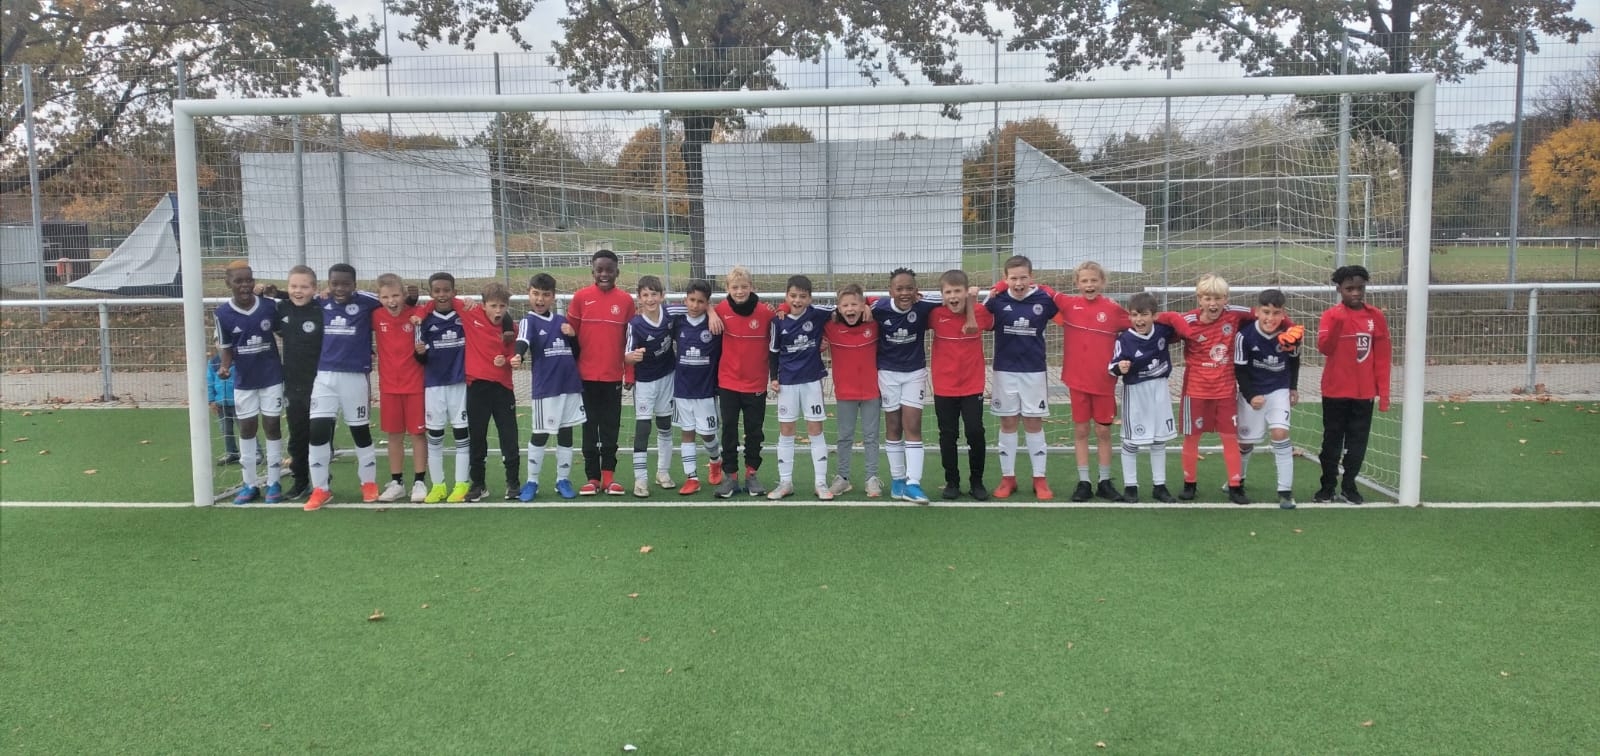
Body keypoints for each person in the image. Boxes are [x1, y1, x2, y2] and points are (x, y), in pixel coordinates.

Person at [1177, 274, 1291, 506]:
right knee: (1192, 438)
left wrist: (1292, 329)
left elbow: (1266, 314)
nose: (1213, 303)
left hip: (1225, 390)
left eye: (1218, 298)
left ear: (1226, 298)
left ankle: (1235, 486)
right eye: (1207, 298)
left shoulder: (1235, 314)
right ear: (1199, 299)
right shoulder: (1187, 321)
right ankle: (1189, 484)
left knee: (1230, 439)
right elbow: (1164, 328)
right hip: (1195, 390)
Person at [304, 263, 384, 511]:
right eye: (334, 283)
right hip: (324, 376)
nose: (339, 288)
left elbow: (390, 299)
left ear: (354, 285)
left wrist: (410, 298)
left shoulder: (366, 302)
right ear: (328, 284)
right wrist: (271, 291)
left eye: (345, 284)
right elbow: (297, 298)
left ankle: (368, 483)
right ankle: (320, 488)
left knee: (360, 430)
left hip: (355, 376)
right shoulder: (320, 301)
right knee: (317, 431)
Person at [1053, 261, 1132, 503]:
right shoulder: (1068, 305)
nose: (1089, 285)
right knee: (1081, 430)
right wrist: (1001, 287)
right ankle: (1084, 481)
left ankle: (1104, 481)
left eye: (1094, 280)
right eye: (1084, 281)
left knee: (1103, 431)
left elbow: (1140, 323)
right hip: (1076, 381)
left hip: (1104, 382)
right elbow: (1041, 292)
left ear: (1102, 282)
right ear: (1077, 283)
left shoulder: (1113, 309)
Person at [984, 255, 1060, 500]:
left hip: (1034, 371)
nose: (1018, 283)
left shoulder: (1044, 300)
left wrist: (1050, 290)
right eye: (1013, 278)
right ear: (1005, 279)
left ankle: (1040, 478)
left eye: (1023, 278)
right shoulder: (997, 300)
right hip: (1004, 371)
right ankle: (1008, 478)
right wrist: (992, 292)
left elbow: (1065, 315)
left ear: (1031, 278)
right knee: (1007, 423)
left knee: (1033, 423)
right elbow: (979, 317)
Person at [1315, 265, 1391, 505]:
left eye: (1360, 288)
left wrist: (1384, 393)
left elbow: (1383, 357)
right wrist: (1338, 324)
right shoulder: (1331, 315)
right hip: (1335, 391)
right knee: (1332, 441)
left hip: (1363, 393)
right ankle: (1327, 486)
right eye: (1350, 289)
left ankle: (1349, 486)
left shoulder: (1375, 316)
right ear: (1339, 289)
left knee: (1357, 442)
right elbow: (1325, 348)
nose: (1356, 293)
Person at [214, 261, 287, 504]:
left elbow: (282, 331)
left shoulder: (268, 306)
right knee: (247, 428)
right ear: (229, 283)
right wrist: (225, 367)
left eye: (249, 280)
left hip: (271, 376)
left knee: (272, 425)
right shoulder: (222, 314)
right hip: (244, 380)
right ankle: (249, 484)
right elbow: (226, 348)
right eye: (239, 281)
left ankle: (274, 482)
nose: (245, 285)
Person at [1109, 292, 1191, 503]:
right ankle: (1131, 487)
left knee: (1159, 440)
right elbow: (1112, 367)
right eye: (1135, 315)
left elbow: (1179, 323)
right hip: (1136, 394)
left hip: (1160, 391)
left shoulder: (1162, 331)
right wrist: (1120, 367)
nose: (1139, 320)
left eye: (1144, 314)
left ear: (1154, 316)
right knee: (1131, 442)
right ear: (1129, 316)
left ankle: (1159, 486)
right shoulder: (1124, 339)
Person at [565, 249, 635, 496]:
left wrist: (629, 373)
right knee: (588, 428)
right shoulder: (580, 298)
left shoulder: (626, 301)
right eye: (599, 270)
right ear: (592, 272)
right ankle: (592, 478)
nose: (604, 274)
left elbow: (630, 342)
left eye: (609, 270)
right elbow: (569, 339)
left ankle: (609, 477)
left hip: (612, 377)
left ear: (617, 272)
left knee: (610, 428)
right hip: (585, 377)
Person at [872, 268, 942, 504]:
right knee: (893, 425)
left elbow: (951, 295)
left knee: (912, 424)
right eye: (899, 288)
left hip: (915, 373)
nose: (904, 293)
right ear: (890, 291)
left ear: (916, 291)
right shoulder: (879, 308)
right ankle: (897, 480)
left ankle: (913, 483)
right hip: (887, 374)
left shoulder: (923, 306)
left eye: (909, 288)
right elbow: (853, 303)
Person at [511, 273, 583, 500]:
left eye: (545, 295)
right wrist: (518, 355)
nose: (540, 299)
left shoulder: (562, 321)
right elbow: (523, 341)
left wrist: (573, 336)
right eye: (535, 294)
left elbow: (576, 352)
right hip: (546, 388)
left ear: (553, 297)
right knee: (540, 434)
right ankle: (532, 481)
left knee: (566, 433)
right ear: (528, 294)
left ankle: (563, 480)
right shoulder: (529, 321)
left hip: (569, 385)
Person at [1234, 288, 1304, 509]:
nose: (1270, 318)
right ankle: (1237, 481)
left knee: (1280, 433)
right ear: (1257, 312)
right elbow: (1240, 371)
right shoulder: (1244, 336)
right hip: (1252, 393)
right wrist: (1250, 395)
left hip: (1278, 390)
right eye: (1266, 312)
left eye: (1276, 313)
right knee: (1244, 442)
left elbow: (1294, 362)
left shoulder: (1291, 336)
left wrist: (1293, 387)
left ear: (1283, 314)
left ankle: (1285, 491)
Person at [928, 270, 993, 501]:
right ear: (942, 295)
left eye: (958, 291)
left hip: (972, 385)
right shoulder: (935, 314)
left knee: (975, 431)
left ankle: (977, 481)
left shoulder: (980, 312)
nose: (953, 296)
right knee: (948, 434)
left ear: (967, 292)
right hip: (944, 386)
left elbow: (997, 313)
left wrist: (976, 301)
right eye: (948, 292)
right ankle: (952, 481)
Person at [766, 274, 833, 500]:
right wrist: (773, 377)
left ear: (810, 298)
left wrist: (868, 304)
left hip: (811, 381)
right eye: (793, 296)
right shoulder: (777, 321)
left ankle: (820, 483)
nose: (797, 300)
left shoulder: (817, 314)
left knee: (815, 430)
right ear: (786, 296)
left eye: (802, 296)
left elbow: (841, 307)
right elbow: (773, 352)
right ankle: (785, 482)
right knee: (786, 431)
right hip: (787, 383)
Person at [714, 265, 776, 498]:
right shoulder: (720, 309)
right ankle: (730, 476)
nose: (739, 291)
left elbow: (783, 321)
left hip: (756, 383)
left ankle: (752, 474)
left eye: (744, 287)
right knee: (728, 429)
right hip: (728, 382)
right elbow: (701, 309)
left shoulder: (765, 313)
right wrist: (710, 311)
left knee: (754, 431)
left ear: (752, 287)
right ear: (727, 288)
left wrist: (782, 309)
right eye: (735, 287)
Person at [414, 272, 475, 503]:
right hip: (434, 385)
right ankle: (438, 485)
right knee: (435, 436)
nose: (442, 294)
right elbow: (419, 356)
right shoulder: (424, 320)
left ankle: (461, 484)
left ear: (454, 292)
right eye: (437, 291)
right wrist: (420, 353)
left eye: (446, 290)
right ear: (431, 293)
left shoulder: (464, 315)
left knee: (461, 435)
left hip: (460, 384)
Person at [461, 283, 522, 501]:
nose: (498, 310)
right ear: (483, 304)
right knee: (477, 436)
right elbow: (443, 300)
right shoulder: (470, 313)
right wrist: (466, 300)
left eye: (502, 306)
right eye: (493, 306)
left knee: (509, 436)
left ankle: (513, 483)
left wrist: (507, 360)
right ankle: (478, 484)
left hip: (503, 389)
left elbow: (515, 356)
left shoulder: (511, 329)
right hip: (477, 387)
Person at [372, 273, 430, 503]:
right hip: (388, 387)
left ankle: (419, 481)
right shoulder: (376, 316)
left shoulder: (415, 315)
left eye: (395, 295)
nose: (391, 301)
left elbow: (428, 308)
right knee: (394, 435)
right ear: (379, 298)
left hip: (415, 385)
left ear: (404, 295)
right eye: (385, 297)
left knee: (417, 434)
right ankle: (397, 482)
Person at [823, 284, 882, 498]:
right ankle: (842, 477)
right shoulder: (831, 326)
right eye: (845, 305)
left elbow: (885, 302)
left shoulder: (874, 323)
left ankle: (872, 478)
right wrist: (783, 306)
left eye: (855, 304)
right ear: (838, 308)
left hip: (871, 392)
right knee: (844, 436)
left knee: (871, 436)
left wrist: (869, 303)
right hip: (845, 393)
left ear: (862, 305)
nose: (850, 309)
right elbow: (809, 309)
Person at [624, 275, 678, 497]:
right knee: (643, 428)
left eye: (654, 294)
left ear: (662, 296)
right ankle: (640, 479)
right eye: (645, 295)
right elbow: (626, 355)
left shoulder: (671, 313)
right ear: (639, 298)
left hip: (667, 377)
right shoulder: (635, 325)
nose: (650, 299)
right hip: (645, 382)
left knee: (665, 425)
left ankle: (663, 472)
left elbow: (697, 307)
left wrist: (712, 312)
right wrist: (632, 357)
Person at [670, 279, 725, 495]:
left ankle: (715, 460)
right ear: (685, 300)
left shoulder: (715, 324)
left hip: (706, 390)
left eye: (700, 302)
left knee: (708, 435)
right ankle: (691, 478)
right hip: (682, 389)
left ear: (707, 303)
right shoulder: (678, 321)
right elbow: (660, 309)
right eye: (691, 300)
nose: (694, 305)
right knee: (687, 432)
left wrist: (712, 313)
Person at [273, 265, 322, 501]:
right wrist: (268, 291)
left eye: (304, 286)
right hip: (293, 384)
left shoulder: (322, 310)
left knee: (319, 435)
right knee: (297, 435)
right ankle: (300, 481)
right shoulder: (281, 309)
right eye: (293, 286)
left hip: (321, 383)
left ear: (315, 288)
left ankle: (322, 480)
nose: (298, 291)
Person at [207, 351, 239, 466]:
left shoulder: (238, 359)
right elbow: (209, 382)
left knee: (245, 428)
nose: (220, 345)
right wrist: (211, 400)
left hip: (238, 401)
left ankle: (257, 452)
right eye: (218, 342)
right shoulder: (213, 362)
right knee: (226, 430)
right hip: (221, 403)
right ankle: (232, 453)